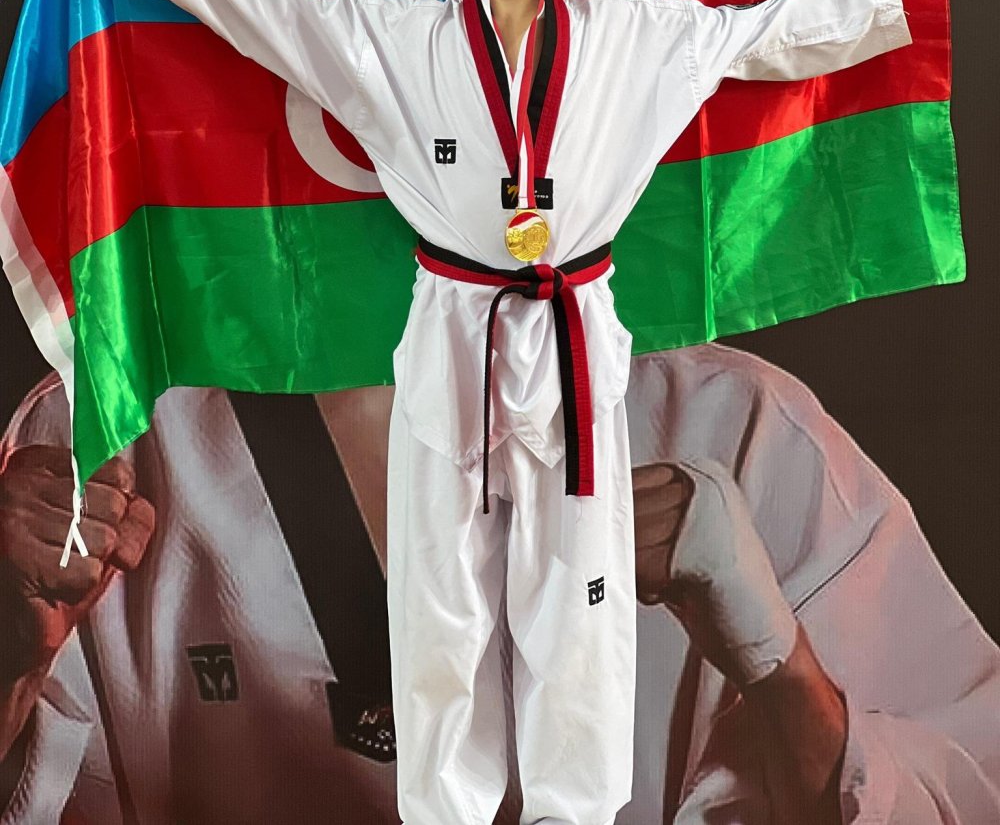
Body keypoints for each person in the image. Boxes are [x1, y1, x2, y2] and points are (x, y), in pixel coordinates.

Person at [64, 0, 918, 825]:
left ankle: (571, 810)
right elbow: (260, 5)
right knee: (446, 596)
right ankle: (447, 811)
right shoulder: (394, 37)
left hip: (571, 336)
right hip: (455, 329)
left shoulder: (635, 34)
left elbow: (762, 34)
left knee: (575, 594)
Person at [2, 347, 998, 824]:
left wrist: (780, 665)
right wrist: (14, 646)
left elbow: (966, 797)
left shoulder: (736, 425)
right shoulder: (110, 440)